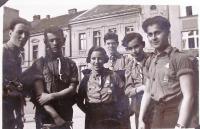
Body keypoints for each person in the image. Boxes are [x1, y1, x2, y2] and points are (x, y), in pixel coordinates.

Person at [138, 16, 195, 129]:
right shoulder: (151, 60)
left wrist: (180, 126)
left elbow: (189, 96)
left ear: (167, 33)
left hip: (176, 113)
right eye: (150, 34)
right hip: (156, 112)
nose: (153, 38)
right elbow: (148, 92)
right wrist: (140, 120)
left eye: (157, 33)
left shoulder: (179, 58)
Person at [22, 26, 78, 129]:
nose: (55, 43)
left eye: (58, 40)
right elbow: (40, 96)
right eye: (51, 40)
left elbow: (72, 89)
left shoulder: (71, 64)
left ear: (64, 40)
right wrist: (56, 117)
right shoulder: (39, 64)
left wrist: (51, 96)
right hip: (45, 117)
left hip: (65, 115)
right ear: (45, 42)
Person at [76, 46, 129, 129]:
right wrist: (88, 112)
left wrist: (120, 112)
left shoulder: (113, 75)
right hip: (93, 119)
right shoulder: (86, 78)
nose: (96, 62)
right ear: (89, 60)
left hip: (111, 117)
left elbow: (123, 95)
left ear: (105, 59)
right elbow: (79, 100)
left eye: (100, 58)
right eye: (93, 58)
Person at [3, 17, 30, 129]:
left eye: (27, 34)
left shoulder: (18, 55)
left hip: (14, 106)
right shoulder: (3, 51)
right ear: (10, 33)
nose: (23, 37)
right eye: (20, 32)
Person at [122, 32, 152, 129]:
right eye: (130, 48)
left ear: (143, 45)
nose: (134, 51)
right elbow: (127, 91)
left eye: (136, 46)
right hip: (139, 109)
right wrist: (141, 88)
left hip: (156, 106)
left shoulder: (154, 60)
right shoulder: (129, 67)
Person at [103, 32, 131, 129]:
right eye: (108, 43)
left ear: (117, 44)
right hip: (106, 104)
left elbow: (129, 82)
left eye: (113, 43)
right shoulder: (102, 61)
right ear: (105, 44)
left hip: (122, 102)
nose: (111, 46)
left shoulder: (125, 60)